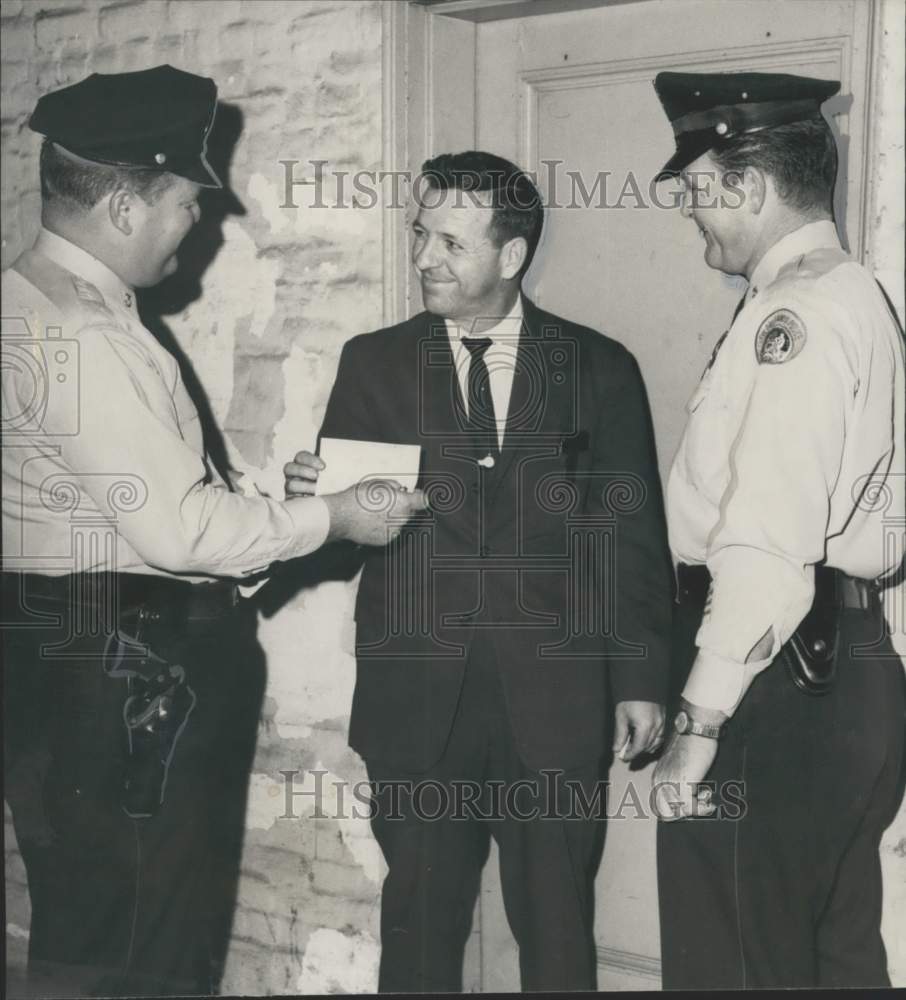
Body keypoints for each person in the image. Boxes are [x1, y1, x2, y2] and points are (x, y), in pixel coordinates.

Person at [1, 65, 423, 997]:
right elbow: (177, 534)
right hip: (133, 669)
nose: (201, 222)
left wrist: (276, 504)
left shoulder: (28, 301)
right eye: (187, 202)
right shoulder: (85, 333)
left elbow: (128, 503)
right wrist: (333, 516)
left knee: (91, 921)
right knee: (155, 932)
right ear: (121, 205)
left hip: (67, 655)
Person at [285, 150, 673, 992]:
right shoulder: (372, 362)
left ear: (512, 255)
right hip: (416, 702)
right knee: (418, 928)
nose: (425, 258)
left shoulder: (600, 368)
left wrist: (641, 677)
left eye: (451, 244)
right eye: (420, 235)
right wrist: (310, 502)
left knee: (559, 931)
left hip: (556, 701)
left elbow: (631, 538)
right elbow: (346, 535)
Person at [649, 70, 906, 989]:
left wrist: (700, 722)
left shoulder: (791, 317)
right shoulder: (857, 296)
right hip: (845, 670)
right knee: (834, 958)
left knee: (736, 963)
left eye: (700, 191)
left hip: (776, 685)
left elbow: (765, 551)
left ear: (751, 186)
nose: (692, 213)